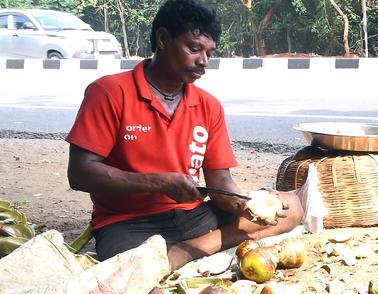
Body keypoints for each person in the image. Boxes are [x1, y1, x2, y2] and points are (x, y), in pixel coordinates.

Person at [66, 0, 324, 277]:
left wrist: (243, 203)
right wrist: (157, 182)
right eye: (194, 48)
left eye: (209, 53)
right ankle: (192, 250)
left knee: (292, 207)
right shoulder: (109, 92)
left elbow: (219, 182)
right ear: (163, 39)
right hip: (127, 223)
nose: (203, 61)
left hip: (194, 217)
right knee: (132, 270)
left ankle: (184, 251)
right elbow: (80, 174)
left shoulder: (208, 105)